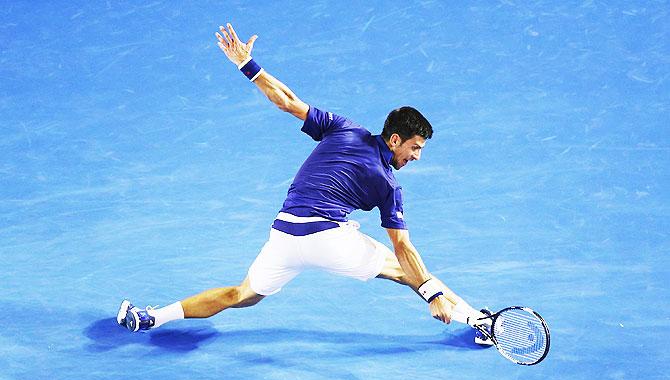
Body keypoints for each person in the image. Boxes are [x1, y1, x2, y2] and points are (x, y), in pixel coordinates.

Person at [117, 23, 492, 345]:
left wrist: (246, 64)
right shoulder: (388, 185)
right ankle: (480, 322)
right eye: (415, 147)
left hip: (283, 238)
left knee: (242, 294)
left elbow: (287, 101)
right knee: (403, 270)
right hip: (328, 240)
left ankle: (152, 317)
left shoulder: (343, 127)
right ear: (395, 140)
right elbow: (405, 249)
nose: (416, 157)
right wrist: (430, 293)